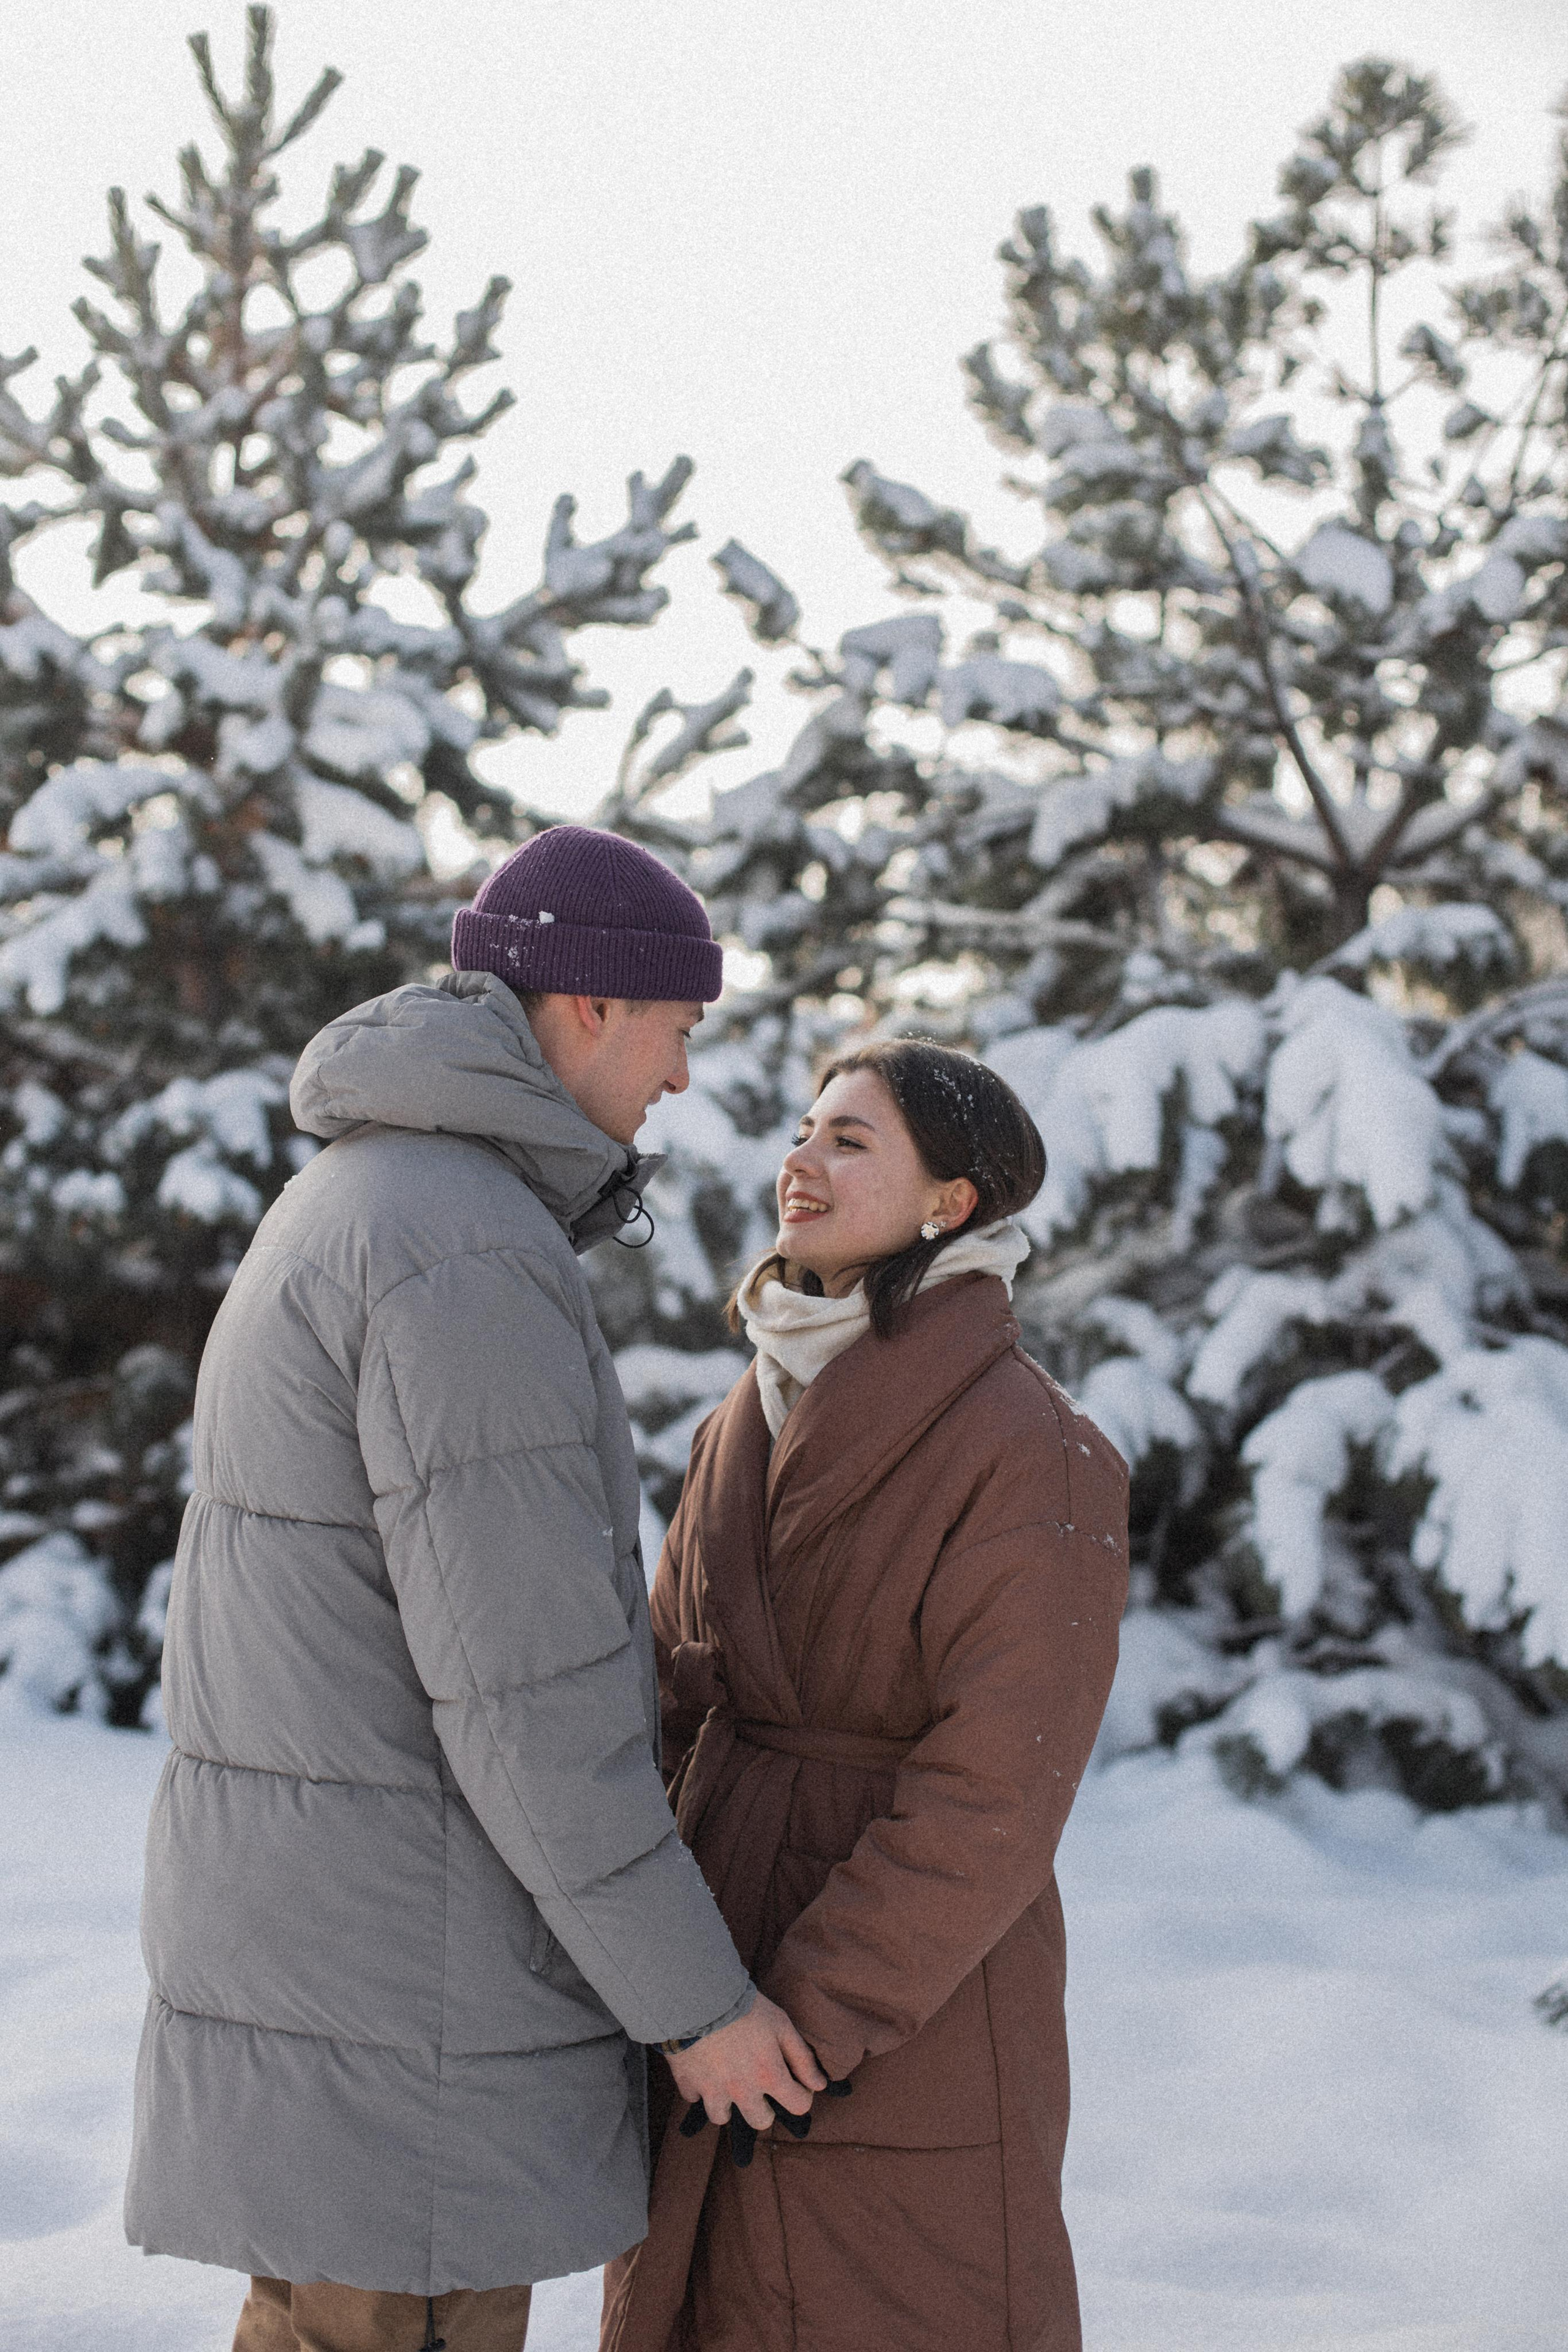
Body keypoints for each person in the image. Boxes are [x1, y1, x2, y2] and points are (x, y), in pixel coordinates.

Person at [124, 826, 823, 2352]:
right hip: (413, 1999)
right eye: (678, 1031)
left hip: (345, 1961)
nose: (682, 1082)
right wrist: (694, 2005)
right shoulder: (462, 1253)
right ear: (587, 1006)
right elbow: (529, 1704)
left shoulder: (372, 1199)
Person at [601, 1038, 1129, 2352]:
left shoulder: (1034, 1448)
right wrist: (664, 1968)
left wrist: (809, 2023)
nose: (801, 1161)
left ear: (951, 1203)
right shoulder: (746, 1411)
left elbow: (994, 1791)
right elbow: (670, 1690)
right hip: (714, 1963)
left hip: (903, 1999)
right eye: (803, 1128)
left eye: (850, 1140)